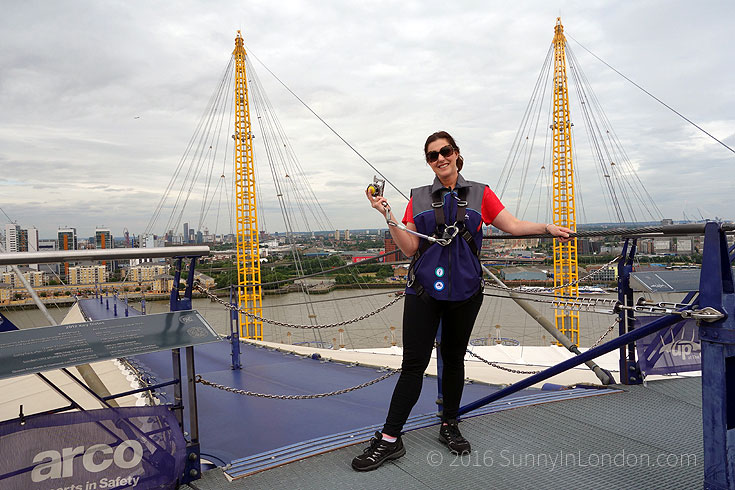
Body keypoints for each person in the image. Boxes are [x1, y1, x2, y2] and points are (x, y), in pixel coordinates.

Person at [351, 130, 572, 472]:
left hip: (465, 294)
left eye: (445, 151)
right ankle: (391, 439)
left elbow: (511, 226)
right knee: (413, 364)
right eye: (432, 155)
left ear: (456, 154)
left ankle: (449, 424)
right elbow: (410, 247)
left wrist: (546, 228)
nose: (440, 158)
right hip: (423, 292)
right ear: (429, 162)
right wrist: (388, 215)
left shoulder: (480, 194)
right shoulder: (419, 197)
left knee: (453, 359)